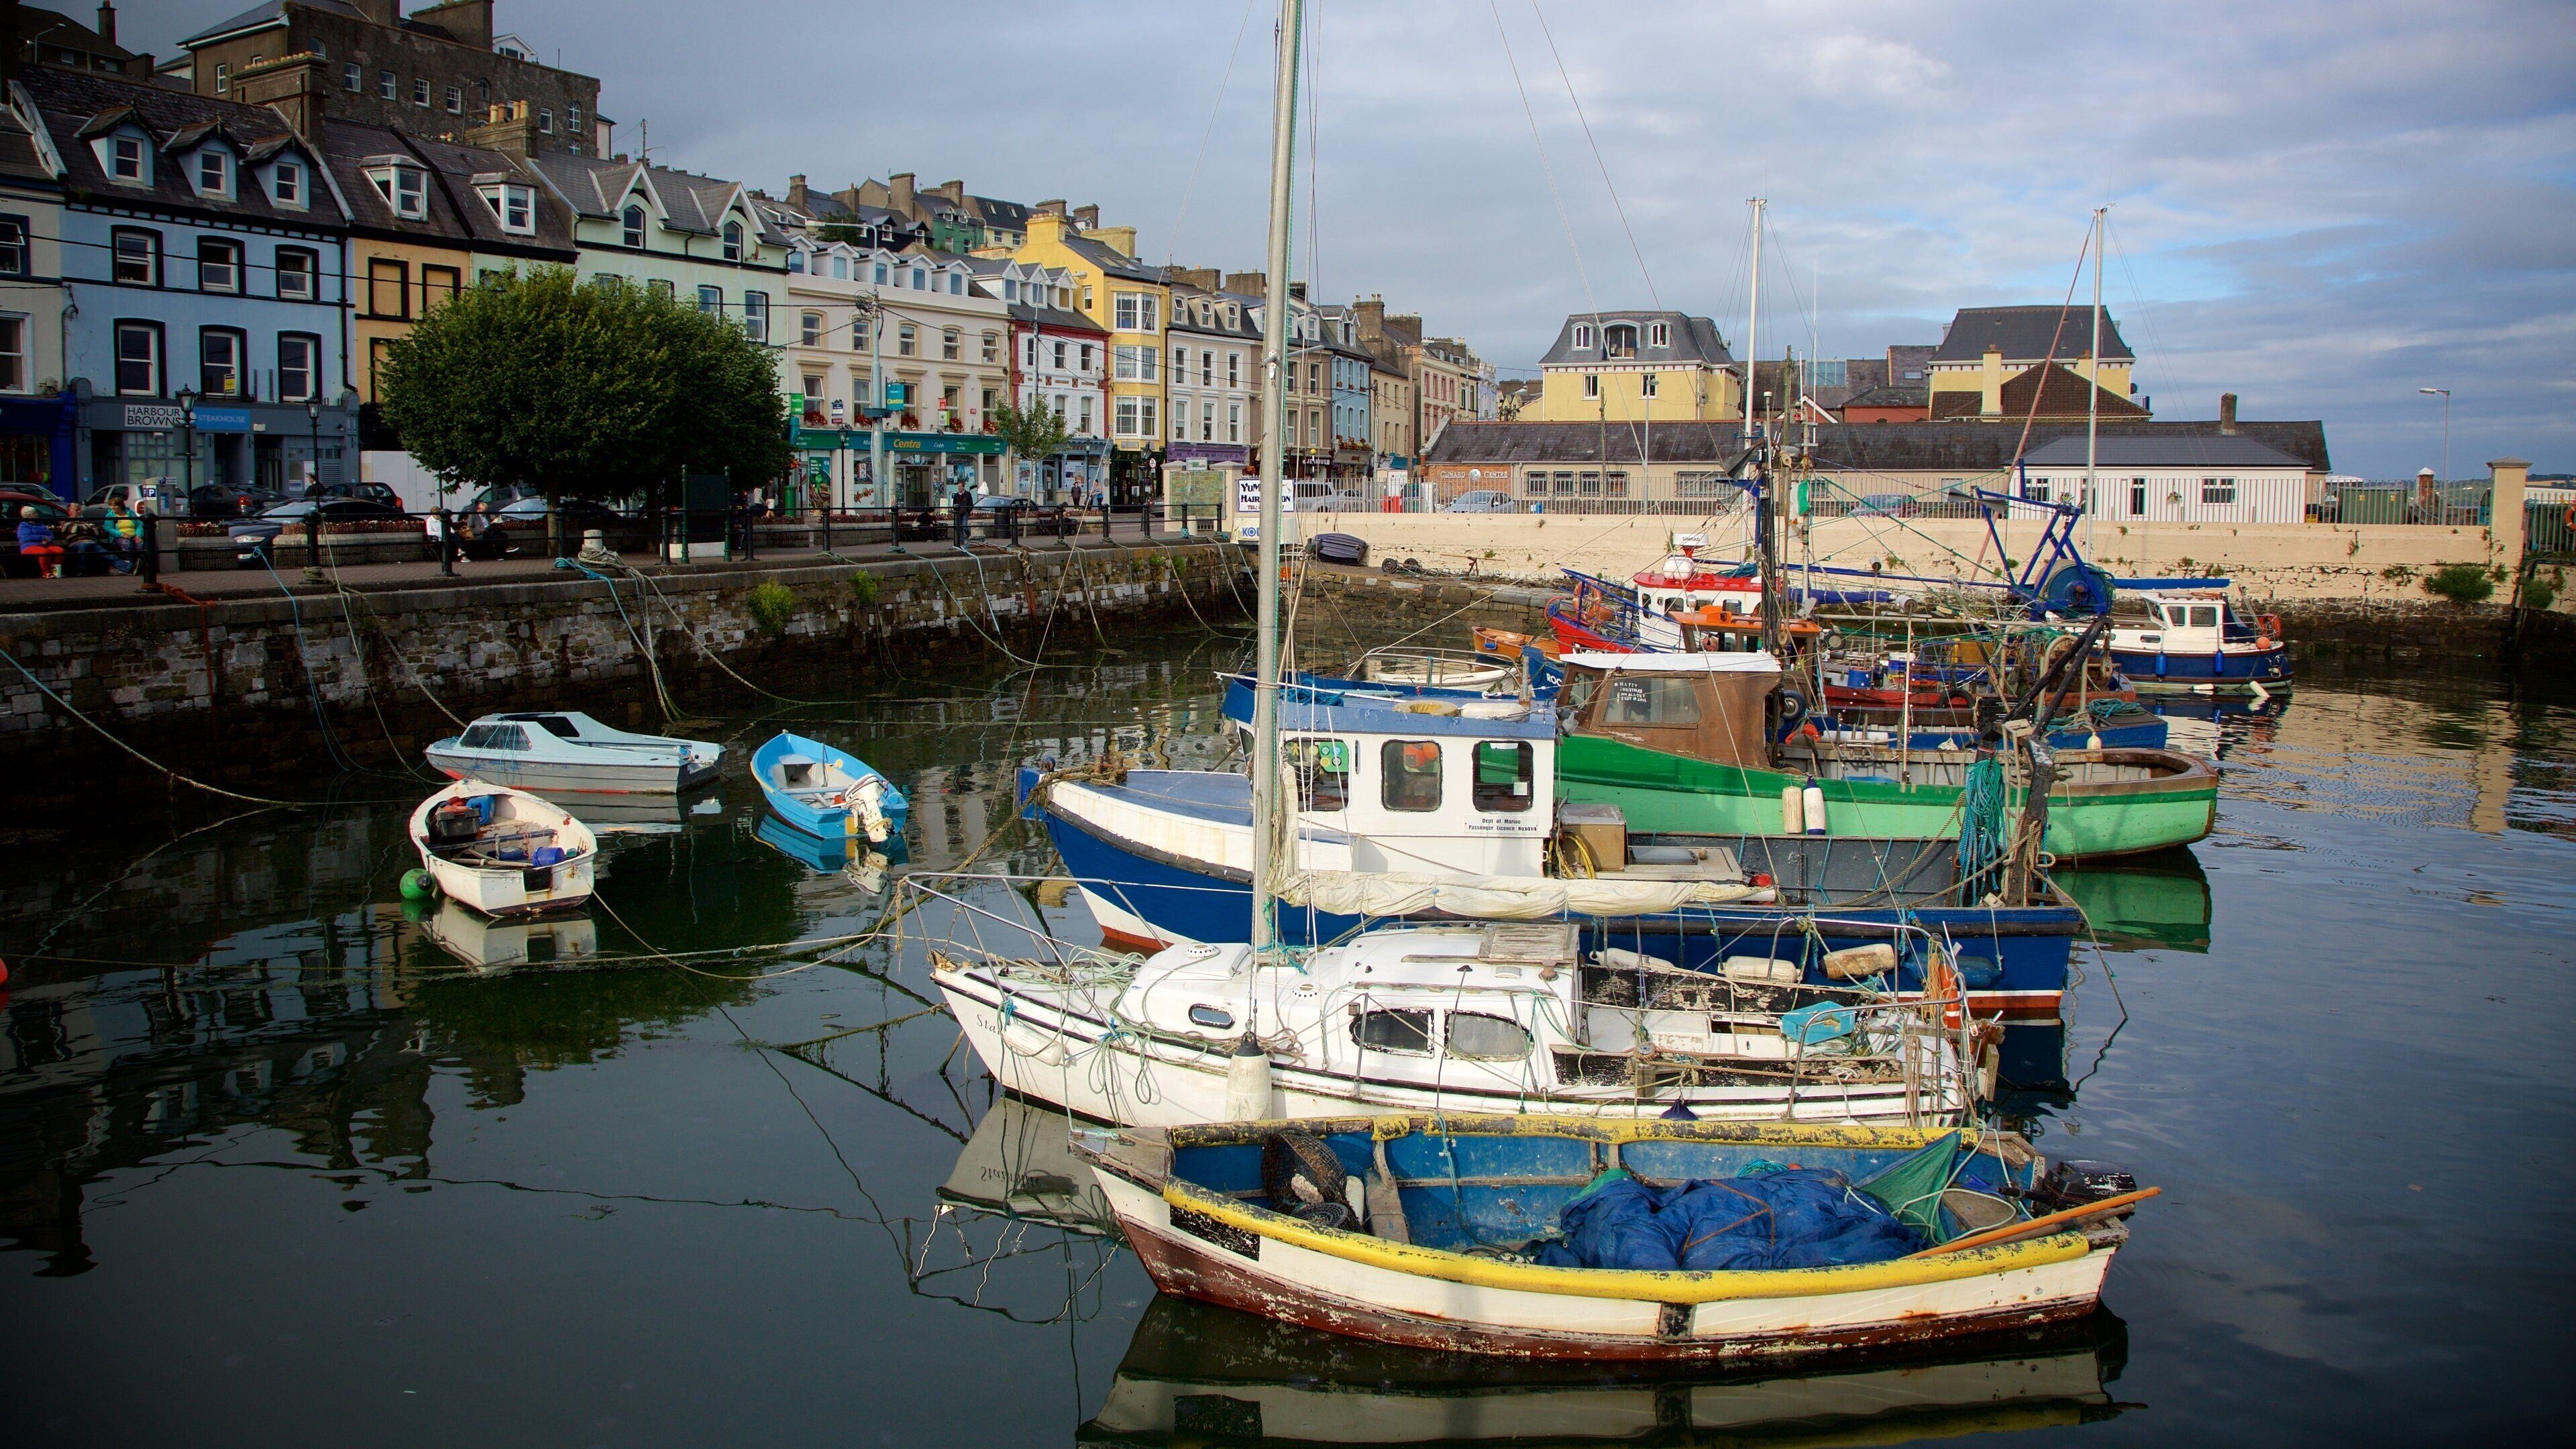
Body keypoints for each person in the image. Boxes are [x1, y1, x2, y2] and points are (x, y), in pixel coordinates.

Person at [15, 505, 66, 578]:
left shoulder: (41, 524)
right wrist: (42, 538)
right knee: (44, 552)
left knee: (60, 551)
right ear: (29, 516)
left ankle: (56, 572)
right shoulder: (23, 526)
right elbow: (26, 538)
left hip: (46, 545)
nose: (37, 514)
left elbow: (50, 534)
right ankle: (46, 573)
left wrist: (49, 539)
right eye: (35, 513)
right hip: (30, 547)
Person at [951, 482, 974, 548]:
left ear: (963, 487)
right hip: (958, 513)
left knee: (964, 525)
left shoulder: (968, 494)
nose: (959, 488)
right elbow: (954, 504)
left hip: (965, 512)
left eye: (960, 487)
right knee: (959, 527)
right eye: (958, 487)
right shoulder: (956, 495)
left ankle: (969, 535)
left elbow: (971, 504)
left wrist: (968, 510)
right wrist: (954, 511)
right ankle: (961, 541)